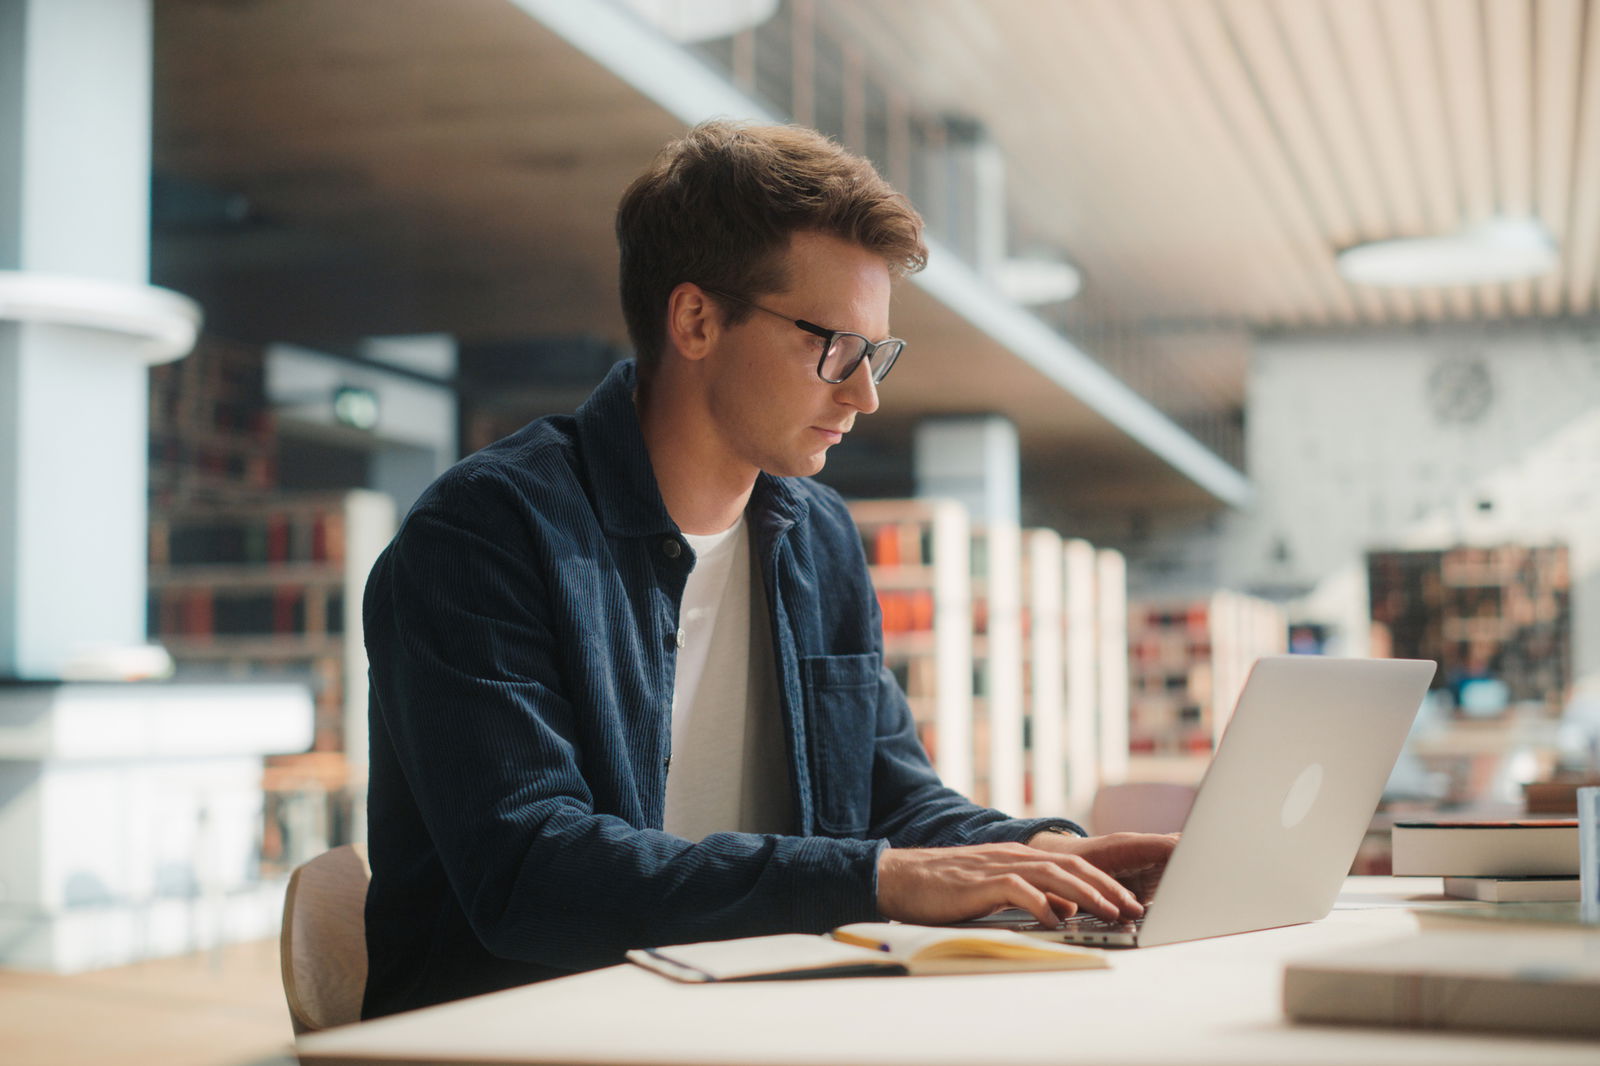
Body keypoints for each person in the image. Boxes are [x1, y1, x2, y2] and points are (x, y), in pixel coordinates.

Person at [360, 120, 1176, 1020]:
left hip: (751, 1020)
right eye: (835, 346)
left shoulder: (819, 536)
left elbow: (890, 801)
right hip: (526, 1033)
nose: (864, 393)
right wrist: (879, 878)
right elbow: (532, 872)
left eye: (876, 354)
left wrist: (1049, 854)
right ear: (697, 321)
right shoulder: (485, 533)